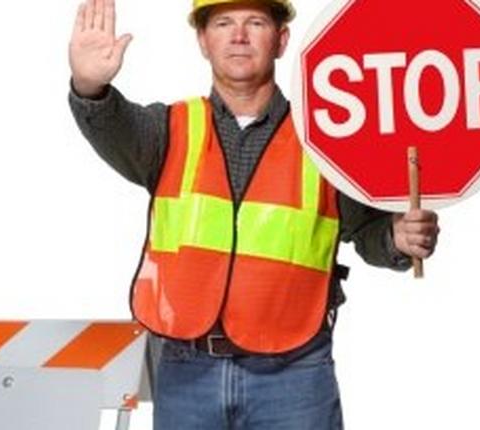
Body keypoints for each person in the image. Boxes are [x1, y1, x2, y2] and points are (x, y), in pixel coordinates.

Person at [68, 0, 440, 428]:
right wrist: (88, 86)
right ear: (203, 41)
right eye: (223, 22)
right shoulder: (168, 130)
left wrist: (397, 238)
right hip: (187, 370)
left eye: (255, 22)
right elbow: (111, 123)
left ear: (281, 40)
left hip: (294, 374)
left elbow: (370, 231)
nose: (239, 35)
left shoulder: (327, 139)